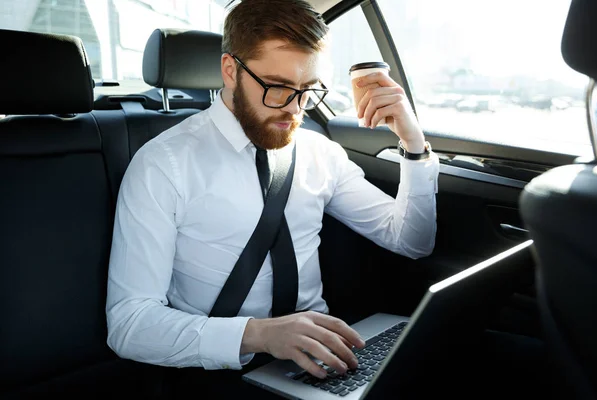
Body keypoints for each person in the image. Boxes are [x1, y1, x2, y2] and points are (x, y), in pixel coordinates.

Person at [105, 0, 438, 396]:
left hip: (324, 363)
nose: (295, 109)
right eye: (277, 87)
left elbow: (411, 242)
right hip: (218, 375)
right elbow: (130, 326)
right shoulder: (164, 164)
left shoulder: (320, 153)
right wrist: (260, 335)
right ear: (230, 71)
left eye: (308, 90)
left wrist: (413, 144)